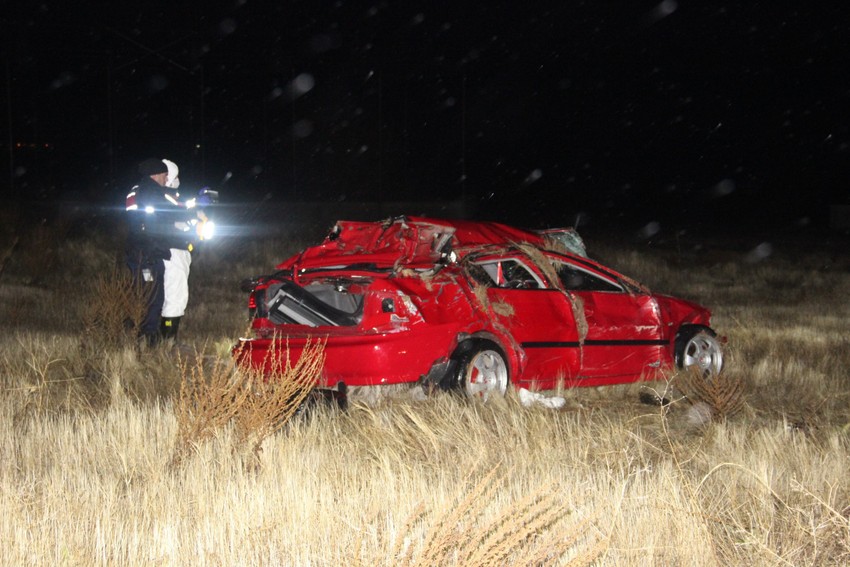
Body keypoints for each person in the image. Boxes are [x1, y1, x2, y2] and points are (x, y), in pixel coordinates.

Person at [125, 158, 192, 346]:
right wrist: (191, 213)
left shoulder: (138, 189)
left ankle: (143, 336)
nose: (166, 179)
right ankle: (149, 339)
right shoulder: (150, 191)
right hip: (146, 253)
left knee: (146, 293)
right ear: (156, 175)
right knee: (152, 296)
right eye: (164, 176)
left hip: (142, 251)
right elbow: (164, 214)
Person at [159, 158, 192, 343]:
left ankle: (167, 339)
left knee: (172, 296)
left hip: (177, 250)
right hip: (174, 252)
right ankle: (168, 342)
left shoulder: (172, 199)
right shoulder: (167, 199)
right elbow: (180, 224)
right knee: (175, 296)